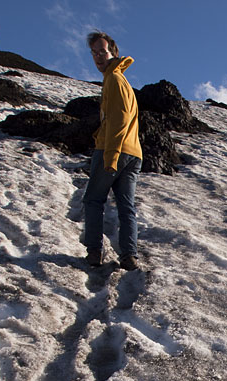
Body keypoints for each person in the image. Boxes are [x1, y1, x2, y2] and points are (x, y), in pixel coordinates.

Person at [83, 31, 143, 271]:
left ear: (113, 53)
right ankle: (129, 255)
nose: (98, 56)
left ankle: (94, 252)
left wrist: (111, 155)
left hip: (114, 149)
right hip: (134, 152)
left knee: (93, 199)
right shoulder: (121, 80)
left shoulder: (114, 80)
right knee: (126, 206)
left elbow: (118, 119)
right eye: (94, 52)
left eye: (103, 51)